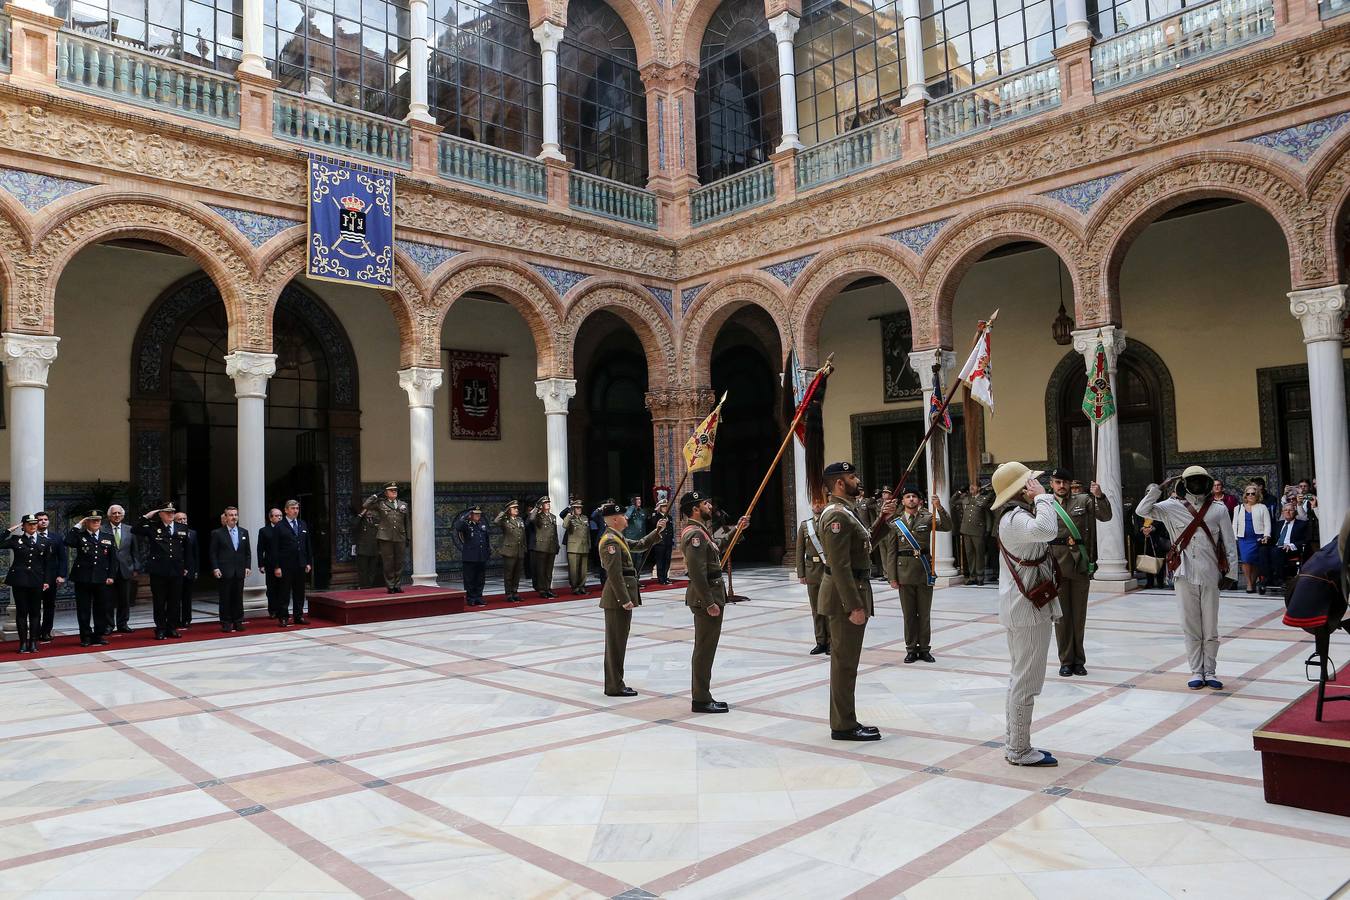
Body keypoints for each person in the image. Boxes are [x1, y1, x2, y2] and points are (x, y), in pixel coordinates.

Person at [1136, 465, 1239, 690]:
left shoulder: (1218, 509)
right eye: (1191, 481)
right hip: (1183, 574)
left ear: (1207, 483)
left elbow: (1229, 543)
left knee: (1210, 627)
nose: (1196, 485)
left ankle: (1210, 671)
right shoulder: (1171, 507)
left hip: (1211, 574)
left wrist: (1231, 573)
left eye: (1200, 481)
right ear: (1184, 484)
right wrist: (1157, 488)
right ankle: (1196, 671)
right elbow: (1142, 511)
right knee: (1190, 625)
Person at [991, 461, 1061, 767]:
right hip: (1026, 611)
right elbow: (1047, 530)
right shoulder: (1015, 518)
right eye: (1030, 482)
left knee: (1021, 678)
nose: (1034, 484)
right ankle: (1018, 749)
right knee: (1026, 681)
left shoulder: (1016, 516)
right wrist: (1044, 497)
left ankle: (1016, 743)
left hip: (1025, 607)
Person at [817, 462, 881, 741]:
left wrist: (885, 522)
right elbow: (839, 566)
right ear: (840, 483)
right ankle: (843, 725)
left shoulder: (848, 512)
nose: (857, 480)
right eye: (852, 477)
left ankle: (846, 719)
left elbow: (864, 545)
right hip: (846, 596)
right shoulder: (837, 516)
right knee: (844, 663)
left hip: (854, 588)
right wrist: (853, 605)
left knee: (847, 662)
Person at [680, 491, 746, 713]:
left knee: (707, 648)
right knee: (704, 649)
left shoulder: (702, 532)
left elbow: (718, 545)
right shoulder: (694, 535)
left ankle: (704, 695)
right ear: (695, 509)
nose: (710, 506)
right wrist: (709, 602)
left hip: (711, 594)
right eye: (705, 503)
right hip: (705, 597)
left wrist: (737, 529)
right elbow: (698, 574)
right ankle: (700, 698)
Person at [597, 502, 667, 697]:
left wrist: (657, 530)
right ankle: (614, 686)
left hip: (620, 597)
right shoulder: (610, 541)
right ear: (615, 519)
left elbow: (640, 545)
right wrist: (624, 599)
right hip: (616, 599)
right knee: (615, 644)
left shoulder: (618, 538)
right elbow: (615, 574)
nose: (627, 518)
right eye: (624, 516)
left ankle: (615, 683)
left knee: (619, 642)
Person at [1047, 467, 1112, 677]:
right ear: (1052, 484)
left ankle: (1079, 661)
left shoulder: (1083, 501)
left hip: (1079, 565)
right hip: (1056, 567)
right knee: (1062, 618)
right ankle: (1065, 661)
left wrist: (1099, 496)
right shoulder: (1045, 504)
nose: (1062, 486)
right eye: (1058, 482)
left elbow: (1105, 516)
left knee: (1078, 617)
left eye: (1065, 482)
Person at [883, 484, 952, 664]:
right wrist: (892, 576)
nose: (911, 499)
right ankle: (911, 649)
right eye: (908, 497)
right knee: (909, 615)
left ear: (919, 500)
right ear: (903, 501)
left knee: (924, 613)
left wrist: (939, 508)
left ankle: (925, 649)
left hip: (923, 571)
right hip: (903, 572)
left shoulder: (928, 517)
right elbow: (891, 551)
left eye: (914, 496)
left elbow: (947, 526)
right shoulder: (896, 522)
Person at [131, 501, 189, 640]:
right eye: (167, 512)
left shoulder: (182, 527)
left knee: (174, 601)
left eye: (172, 512)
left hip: (176, 570)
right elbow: (135, 530)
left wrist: (186, 566)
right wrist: (147, 516)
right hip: (159, 571)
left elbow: (187, 549)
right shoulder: (152, 527)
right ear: (161, 514)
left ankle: (172, 628)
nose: (170, 515)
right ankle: (160, 629)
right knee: (159, 601)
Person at [64, 510, 114, 647]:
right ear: (87, 522)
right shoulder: (80, 536)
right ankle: (85, 636)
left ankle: (98, 635)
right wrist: (78, 525)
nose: (96, 523)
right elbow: (67, 541)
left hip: (101, 578)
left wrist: (111, 576)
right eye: (93, 520)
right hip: (83, 578)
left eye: (98, 520)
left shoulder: (107, 537)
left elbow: (113, 559)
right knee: (83, 609)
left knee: (101, 608)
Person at [5, 515, 51, 654]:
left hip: (36, 581)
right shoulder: (16, 540)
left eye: (34, 524)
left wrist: (47, 581)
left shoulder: (44, 541)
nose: (33, 526)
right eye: (29, 524)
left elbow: (48, 563)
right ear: (23, 526)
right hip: (19, 580)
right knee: (21, 613)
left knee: (35, 613)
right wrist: (9, 530)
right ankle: (23, 643)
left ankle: (33, 643)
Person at [796, 498, 830, 655]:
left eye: (820, 502)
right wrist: (801, 573)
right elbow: (799, 551)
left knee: (829, 607)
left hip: (827, 570)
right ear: (811, 505)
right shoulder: (805, 525)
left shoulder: (829, 522)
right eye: (815, 503)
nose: (817, 505)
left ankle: (831, 641)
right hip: (811, 570)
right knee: (816, 609)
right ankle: (820, 641)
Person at [210, 506, 252, 632]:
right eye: (231, 515)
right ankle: (226, 622)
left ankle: (238, 621)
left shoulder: (244, 532)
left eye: (235, 515)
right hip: (224, 570)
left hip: (239, 570)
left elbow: (247, 552)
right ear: (226, 517)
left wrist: (247, 566)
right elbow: (213, 553)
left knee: (238, 597)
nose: (234, 517)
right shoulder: (217, 533)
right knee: (225, 598)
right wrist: (215, 568)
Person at [271, 499, 313, 625]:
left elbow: (307, 545)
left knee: (299, 592)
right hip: (285, 565)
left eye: (297, 508)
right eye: (293, 508)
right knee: (284, 592)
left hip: (300, 563)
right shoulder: (279, 526)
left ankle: (298, 616)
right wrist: (277, 566)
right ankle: (283, 617)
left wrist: (308, 562)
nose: (295, 511)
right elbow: (275, 548)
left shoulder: (302, 524)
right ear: (286, 510)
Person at [364, 482, 409, 594]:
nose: (394, 492)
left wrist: (408, 537)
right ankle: (390, 586)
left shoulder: (403, 504)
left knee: (399, 562)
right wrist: (375, 496)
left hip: (400, 536)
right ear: (386, 492)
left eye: (395, 490)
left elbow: (407, 522)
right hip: (385, 537)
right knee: (388, 562)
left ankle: (397, 585)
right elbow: (366, 505)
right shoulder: (381, 504)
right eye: (391, 490)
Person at [34, 511, 67, 643]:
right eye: (40, 519)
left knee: (49, 606)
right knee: (34, 606)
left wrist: (61, 575)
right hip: (34, 577)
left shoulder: (56, 537)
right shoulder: (31, 537)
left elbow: (63, 558)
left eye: (45, 519)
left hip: (51, 577)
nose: (43, 521)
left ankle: (46, 631)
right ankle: (35, 632)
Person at [1234, 484, 1272, 593]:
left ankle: (1254, 581)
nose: (1250, 495)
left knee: (1255, 561)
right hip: (1244, 538)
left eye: (1253, 493)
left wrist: (1266, 535)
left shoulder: (1262, 507)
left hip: (1257, 538)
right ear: (1245, 495)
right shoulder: (1238, 508)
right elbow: (1234, 524)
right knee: (1246, 560)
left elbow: (1267, 523)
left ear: (1257, 495)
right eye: (1248, 493)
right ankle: (1249, 583)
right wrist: (1234, 536)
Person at [959, 482, 993, 585]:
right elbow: (952, 501)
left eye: (974, 486)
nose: (971, 487)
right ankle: (972, 577)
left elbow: (988, 516)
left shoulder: (983, 499)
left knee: (979, 554)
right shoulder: (966, 499)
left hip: (978, 531)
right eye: (970, 486)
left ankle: (980, 577)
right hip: (966, 530)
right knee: (970, 554)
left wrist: (988, 529)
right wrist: (960, 491)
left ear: (979, 488)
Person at [257, 508, 286, 624]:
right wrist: (261, 564)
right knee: (272, 588)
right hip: (270, 563)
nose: (279, 518)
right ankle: (272, 610)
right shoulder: (264, 531)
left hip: (283, 563)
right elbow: (260, 549)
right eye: (276, 516)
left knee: (282, 588)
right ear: (270, 518)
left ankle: (281, 610)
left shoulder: (285, 529)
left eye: (280, 516)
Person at [457, 506, 490, 606]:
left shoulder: (482, 525)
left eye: (479, 514)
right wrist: (465, 517)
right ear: (471, 515)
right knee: (469, 579)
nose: (478, 516)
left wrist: (487, 552)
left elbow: (486, 540)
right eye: (476, 514)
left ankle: (479, 596)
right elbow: (458, 527)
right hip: (470, 557)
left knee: (480, 578)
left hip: (481, 556)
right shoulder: (466, 525)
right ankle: (470, 598)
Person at [494, 500, 527, 602]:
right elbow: (496, 521)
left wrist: (524, 547)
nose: (516, 509)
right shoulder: (505, 520)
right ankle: (508, 594)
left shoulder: (520, 520)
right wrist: (504, 512)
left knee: (517, 574)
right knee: (509, 574)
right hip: (509, 551)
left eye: (517, 508)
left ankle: (515, 592)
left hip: (519, 550)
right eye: (514, 508)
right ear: (509, 510)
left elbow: (523, 535)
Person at [529, 496, 559, 598]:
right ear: (542, 505)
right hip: (541, 547)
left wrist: (557, 544)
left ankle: (548, 588)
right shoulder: (538, 516)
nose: (548, 504)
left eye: (548, 503)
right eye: (546, 503)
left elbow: (554, 533)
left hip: (551, 546)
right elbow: (531, 518)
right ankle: (542, 590)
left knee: (549, 570)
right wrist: (537, 507)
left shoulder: (553, 516)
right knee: (541, 570)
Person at [173, 511, 199, 629]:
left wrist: (195, 570)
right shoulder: (172, 533)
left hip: (190, 570)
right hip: (175, 570)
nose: (183, 521)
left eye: (184, 519)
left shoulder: (192, 533)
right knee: (175, 597)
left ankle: (187, 619)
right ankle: (175, 619)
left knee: (187, 597)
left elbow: (196, 554)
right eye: (180, 519)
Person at [1272, 502, 1309, 582]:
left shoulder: (1301, 524)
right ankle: (1267, 578)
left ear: (1295, 512)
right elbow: (1273, 539)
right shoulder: (1278, 524)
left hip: (1291, 549)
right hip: (1277, 548)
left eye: (1290, 510)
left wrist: (1291, 545)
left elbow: (1305, 540)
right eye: (1285, 510)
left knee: (1277, 551)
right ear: (1282, 512)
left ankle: (1280, 578)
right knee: (1263, 550)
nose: (1288, 512)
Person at [561, 499, 591, 595]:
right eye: (577, 508)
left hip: (584, 546)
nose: (579, 509)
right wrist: (569, 515)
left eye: (580, 508)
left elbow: (587, 533)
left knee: (583, 570)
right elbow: (564, 525)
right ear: (573, 509)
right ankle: (575, 587)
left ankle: (582, 586)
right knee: (574, 569)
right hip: (573, 547)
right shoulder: (570, 518)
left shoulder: (585, 518)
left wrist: (589, 544)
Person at [1136, 518, 1171, 589]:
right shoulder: (1141, 513)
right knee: (1148, 561)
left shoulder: (1157, 511)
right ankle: (1149, 582)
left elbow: (1161, 522)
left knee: (1159, 560)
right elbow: (1138, 522)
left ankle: (1160, 582)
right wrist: (1143, 529)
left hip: (1157, 540)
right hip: (1145, 539)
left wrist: (1152, 528)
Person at [352, 507, 382, 589]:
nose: (369, 512)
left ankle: (369, 585)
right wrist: (361, 514)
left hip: (374, 549)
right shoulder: (360, 521)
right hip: (363, 550)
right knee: (363, 569)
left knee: (372, 570)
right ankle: (363, 586)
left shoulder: (376, 521)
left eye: (371, 511)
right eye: (367, 510)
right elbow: (353, 525)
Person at [648, 500, 674, 584]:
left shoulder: (669, 517)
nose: (665, 508)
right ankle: (661, 579)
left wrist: (672, 539)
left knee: (667, 560)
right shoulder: (656, 516)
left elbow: (671, 530)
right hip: (660, 542)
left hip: (668, 542)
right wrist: (656, 511)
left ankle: (666, 577)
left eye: (666, 506)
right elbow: (653, 523)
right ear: (660, 507)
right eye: (663, 506)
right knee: (660, 561)